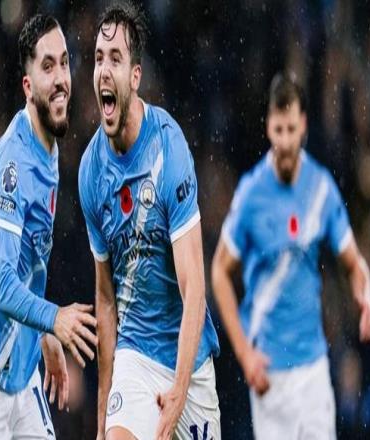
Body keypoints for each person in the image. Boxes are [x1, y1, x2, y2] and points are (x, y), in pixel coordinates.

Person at [0, 14, 98, 439]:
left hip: (20, 373)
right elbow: (4, 287)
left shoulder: (47, 149)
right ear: (28, 86)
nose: (61, 78)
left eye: (64, 63)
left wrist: (43, 336)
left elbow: (28, 265)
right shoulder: (15, 163)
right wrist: (54, 320)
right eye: (48, 66)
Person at [211, 72, 370, 439]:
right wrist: (243, 353)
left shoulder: (321, 189)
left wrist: (366, 299)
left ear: (303, 125)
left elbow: (354, 263)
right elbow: (219, 271)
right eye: (278, 130)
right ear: (267, 128)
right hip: (269, 373)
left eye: (291, 129)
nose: (285, 141)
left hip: (314, 371)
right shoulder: (251, 194)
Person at [78, 2, 221, 439]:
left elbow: (194, 287)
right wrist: (102, 416)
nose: (104, 70)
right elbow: (106, 300)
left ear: (135, 76)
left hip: (188, 361)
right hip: (135, 355)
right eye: (98, 59)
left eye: (115, 59)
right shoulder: (90, 172)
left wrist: (179, 390)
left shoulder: (169, 148)